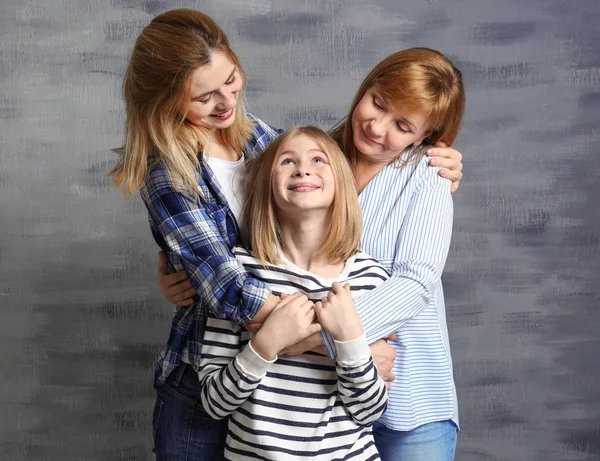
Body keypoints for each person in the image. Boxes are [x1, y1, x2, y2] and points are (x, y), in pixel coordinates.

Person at [109, 8, 463, 460]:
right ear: (164, 101)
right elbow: (226, 285)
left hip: (368, 392)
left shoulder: (262, 139)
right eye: (203, 97)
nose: (225, 102)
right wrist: (341, 343)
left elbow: (413, 282)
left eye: (231, 79)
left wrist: (339, 344)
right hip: (217, 373)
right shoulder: (173, 175)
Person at [198, 125, 390, 460]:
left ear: (341, 182)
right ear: (268, 185)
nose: (303, 169)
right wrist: (265, 344)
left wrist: (349, 339)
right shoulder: (240, 276)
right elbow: (215, 404)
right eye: (288, 161)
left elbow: (369, 411)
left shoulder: (370, 278)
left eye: (319, 159)